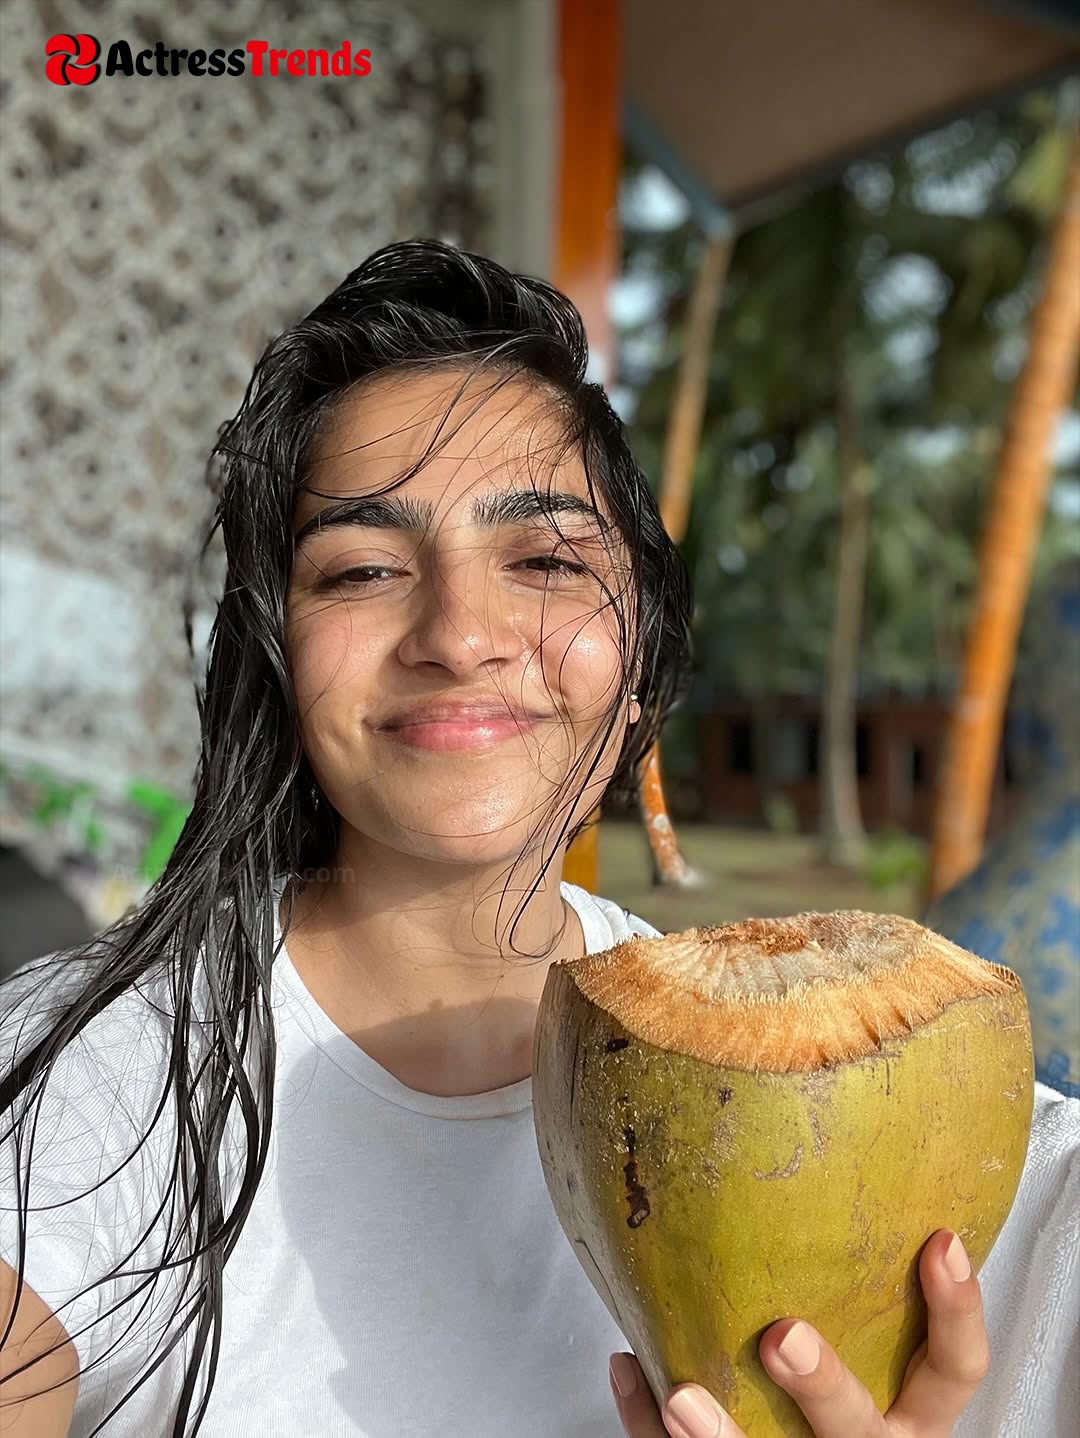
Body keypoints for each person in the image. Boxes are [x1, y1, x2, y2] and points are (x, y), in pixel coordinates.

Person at [0, 240, 1076, 1438]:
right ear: (276, 658)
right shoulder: (91, 1081)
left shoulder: (931, 1104)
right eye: (363, 568)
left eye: (548, 559)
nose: (461, 635)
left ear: (641, 656)